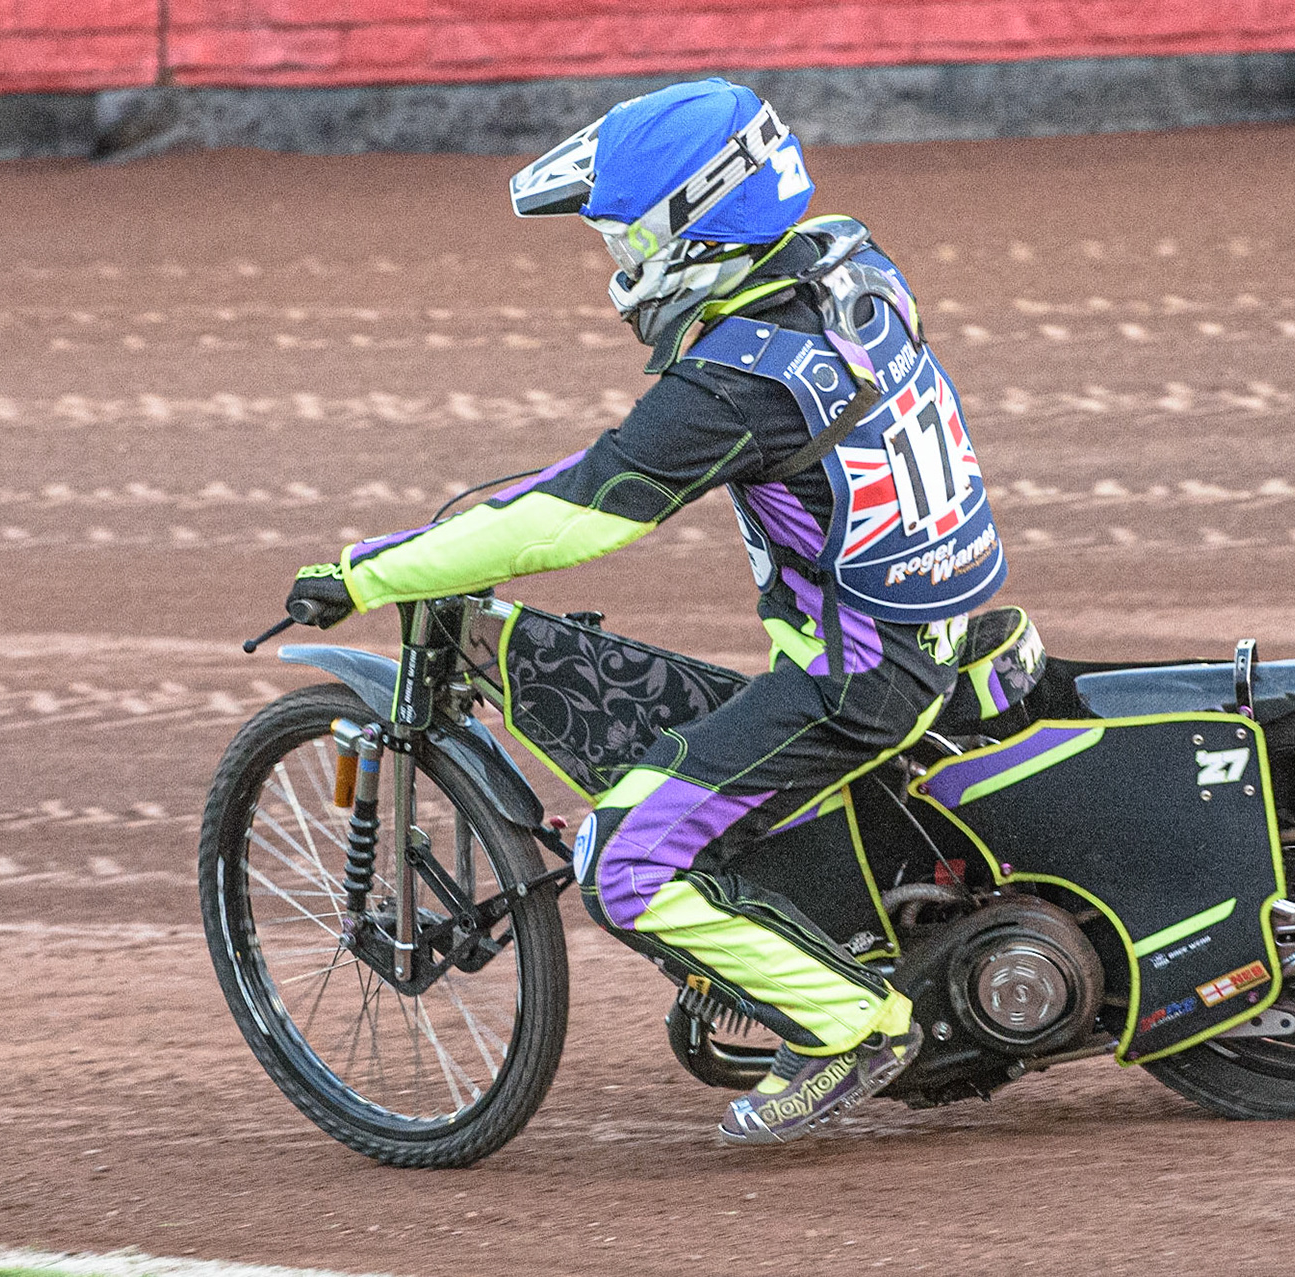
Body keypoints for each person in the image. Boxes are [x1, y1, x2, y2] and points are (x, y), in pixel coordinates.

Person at [285, 79, 1008, 1145]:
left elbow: (581, 519)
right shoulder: (844, 272)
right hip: (949, 614)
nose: (619, 267)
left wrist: (372, 572)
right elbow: (625, 461)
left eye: (624, 239)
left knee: (620, 857)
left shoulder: (737, 382)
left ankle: (855, 1025)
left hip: (860, 673)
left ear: (692, 227)